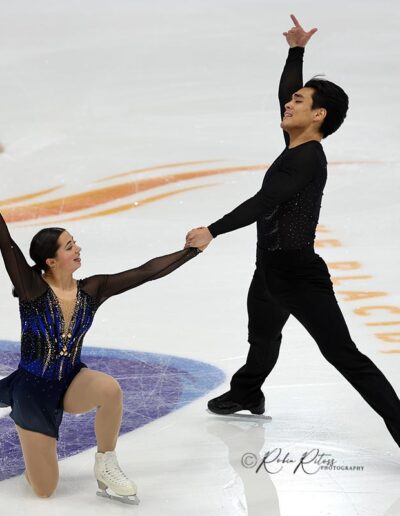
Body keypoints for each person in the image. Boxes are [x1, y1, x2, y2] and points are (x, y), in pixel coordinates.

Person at [185, 14, 400, 448]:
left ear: (318, 115)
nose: (288, 104)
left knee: (344, 356)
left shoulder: (306, 158)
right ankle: (247, 391)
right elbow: (286, 93)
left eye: (299, 102)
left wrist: (213, 230)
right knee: (262, 335)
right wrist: (296, 51)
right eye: (291, 100)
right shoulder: (296, 143)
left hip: (299, 277)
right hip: (270, 269)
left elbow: (264, 202)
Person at [0, 213, 203, 502]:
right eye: (69, 246)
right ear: (51, 261)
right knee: (44, 490)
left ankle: (106, 462)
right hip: (32, 394)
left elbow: (145, 272)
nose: (78, 248)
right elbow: (6, 243)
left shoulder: (91, 290)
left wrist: (191, 251)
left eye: (74, 242)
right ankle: (30, 442)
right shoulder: (32, 289)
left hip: (70, 380)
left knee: (109, 389)